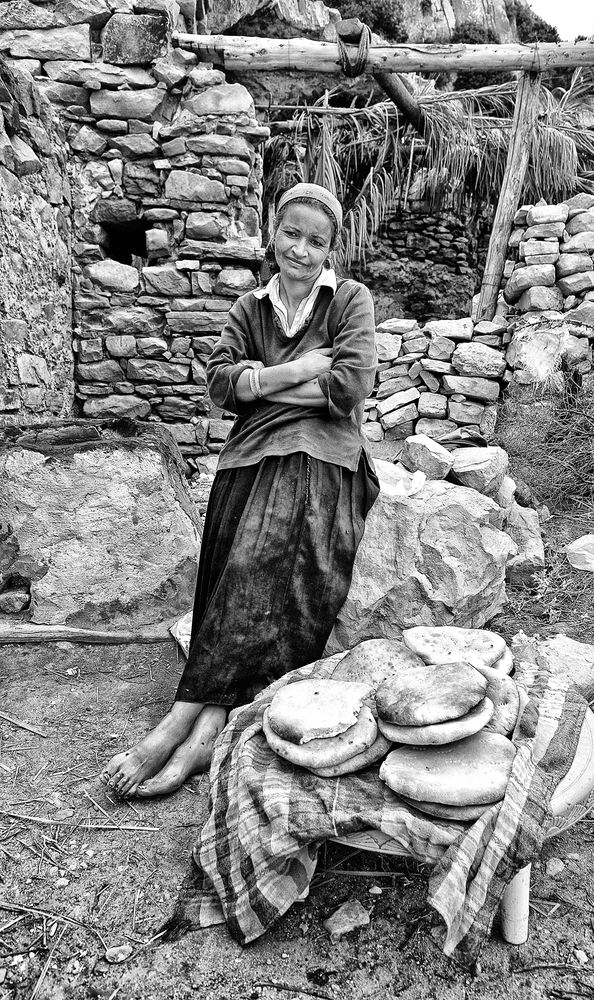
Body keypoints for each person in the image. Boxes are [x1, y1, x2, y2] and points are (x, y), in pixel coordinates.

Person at [102, 182, 380, 798]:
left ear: (331, 250)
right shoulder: (247, 309)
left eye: (317, 241)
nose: (301, 251)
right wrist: (302, 369)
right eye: (291, 235)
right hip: (248, 453)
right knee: (232, 565)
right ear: (272, 234)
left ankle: (183, 721)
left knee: (269, 556)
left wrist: (263, 384)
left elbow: (350, 387)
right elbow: (221, 386)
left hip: (322, 453)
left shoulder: (349, 301)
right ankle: (205, 733)